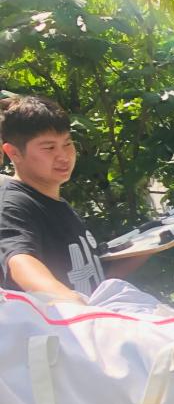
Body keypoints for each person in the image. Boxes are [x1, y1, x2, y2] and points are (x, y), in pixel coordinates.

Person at [0, 95, 105, 300]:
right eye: (49, 148)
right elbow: (20, 261)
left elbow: (91, 279)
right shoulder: (13, 206)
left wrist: (151, 244)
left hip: (93, 316)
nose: (63, 156)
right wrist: (73, 303)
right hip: (68, 320)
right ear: (13, 153)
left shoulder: (60, 204)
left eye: (67, 143)